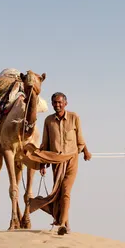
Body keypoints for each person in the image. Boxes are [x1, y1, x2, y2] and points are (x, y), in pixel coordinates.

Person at [38, 92, 91, 235]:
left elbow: (80, 138)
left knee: (66, 191)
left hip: (72, 160)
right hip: (56, 162)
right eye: (54, 102)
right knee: (58, 193)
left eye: (60, 102)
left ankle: (61, 224)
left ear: (65, 103)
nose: (57, 105)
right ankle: (66, 225)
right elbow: (45, 143)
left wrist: (86, 151)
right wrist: (42, 164)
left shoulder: (74, 117)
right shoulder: (48, 121)